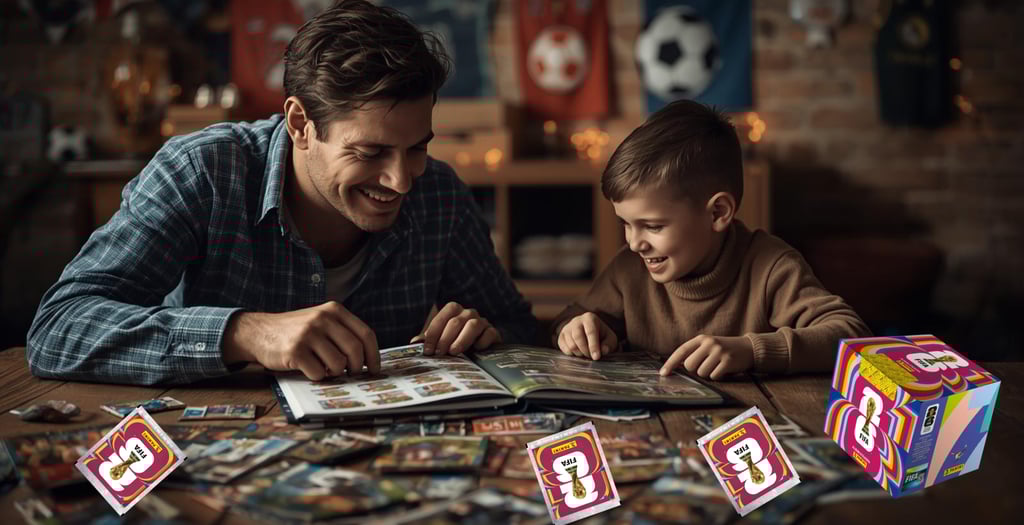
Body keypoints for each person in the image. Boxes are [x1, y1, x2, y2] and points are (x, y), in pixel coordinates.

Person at [26, 0, 535, 385]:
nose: (402, 181)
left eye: (417, 148)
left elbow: (519, 327)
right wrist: (245, 333)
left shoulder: (439, 193)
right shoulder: (201, 171)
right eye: (370, 153)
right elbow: (57, 329)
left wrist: (485, 334)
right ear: (300, 124)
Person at [550, 100, 870, 379]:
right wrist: (577, 330)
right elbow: (567, 321)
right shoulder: (628, 270)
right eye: (626, 224)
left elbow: (851, 336)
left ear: (718, 213)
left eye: (653, 226)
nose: (635, 243)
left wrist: (751, 350)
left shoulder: (771, 266)